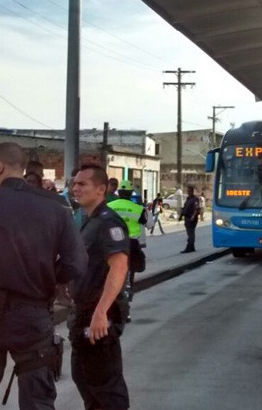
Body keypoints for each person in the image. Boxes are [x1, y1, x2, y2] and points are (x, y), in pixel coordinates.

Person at [0, 142, 87, 410]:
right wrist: (46, 280)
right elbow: (77, 263)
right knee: (38, 401)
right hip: (34, 316)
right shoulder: (56, 208)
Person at [69, 165, 130, 410]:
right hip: (83, 313)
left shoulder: (107, 222)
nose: (75, 188)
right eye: (74, 183)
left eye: (82, 184)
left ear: (101, 189)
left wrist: (101, 312)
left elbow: (119, 266)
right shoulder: (89, 221)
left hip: (99, 317)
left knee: (106, 388)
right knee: (86, 380)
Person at [108, 180, 154, 311]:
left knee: (110, 274)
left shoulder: (109, 206)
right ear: (130, 193)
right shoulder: (138, 209)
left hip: (112, 243)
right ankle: (125, 307)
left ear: (119, 192)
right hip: (131, 244)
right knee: (129, 276)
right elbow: (149, 224)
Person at [178, 185, 201, 253]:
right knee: (189, 233)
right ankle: (192, 247)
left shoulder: (195, 199)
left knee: (191, 233)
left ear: (192, 191)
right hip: (187, 217)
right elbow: (184, 207)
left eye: (189, 191)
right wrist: (181, 216)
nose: (188, 192)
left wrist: (193, 217)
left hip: (191, 218)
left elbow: (196, 209)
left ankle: (189, 247)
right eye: (187, 191)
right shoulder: (188, 198)